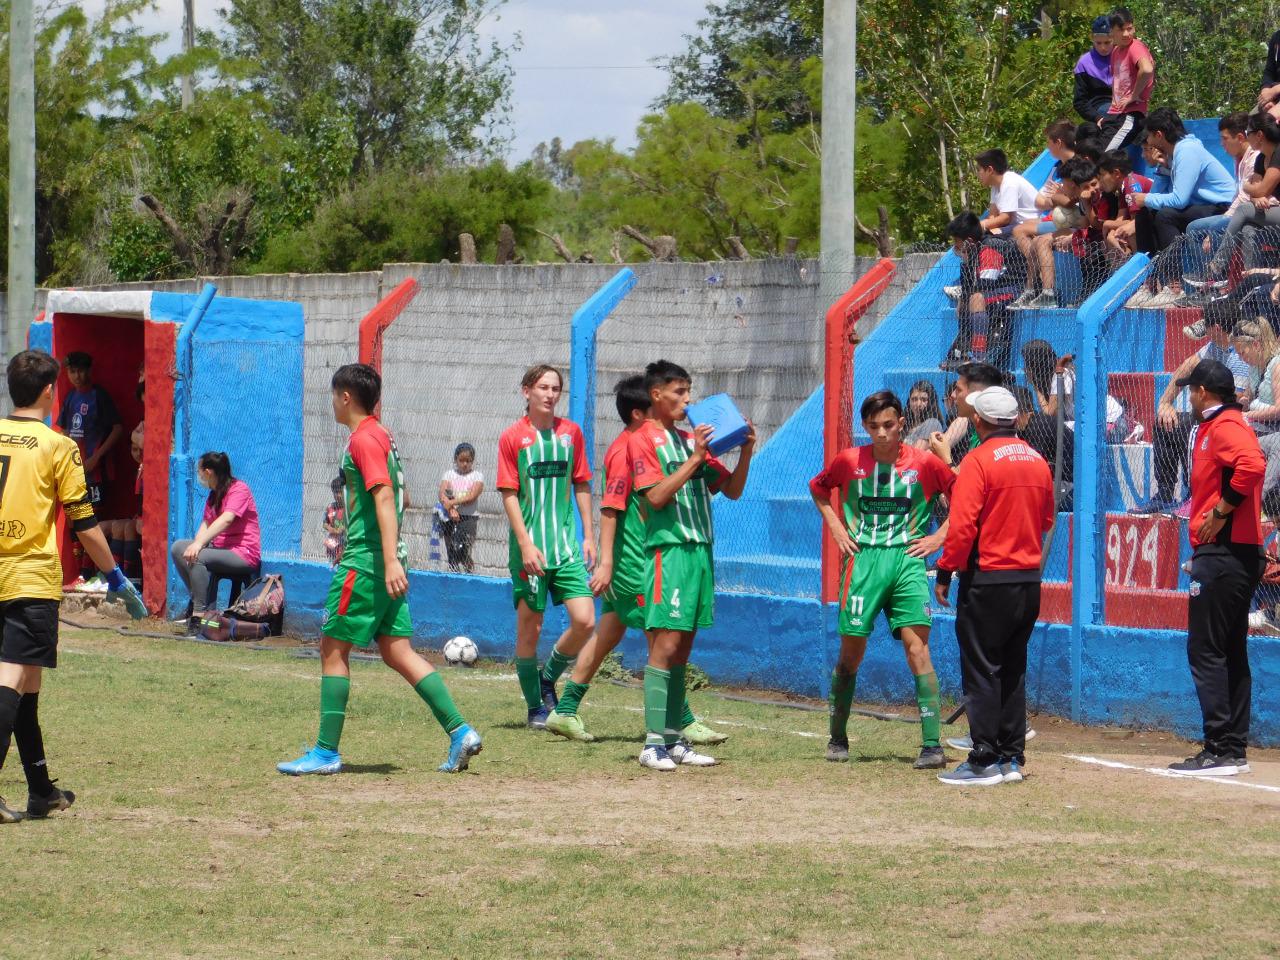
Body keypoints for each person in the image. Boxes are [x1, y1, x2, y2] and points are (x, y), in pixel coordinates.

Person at [278, 363, 482, 776]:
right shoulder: (383, 436)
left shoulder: (364, 439)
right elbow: (397, 499)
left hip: (368, 561)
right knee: (397, 650)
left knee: (333, 648)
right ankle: (460, 731)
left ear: (346, 396)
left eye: (334, 395)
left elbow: (386, 498)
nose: (332, 402)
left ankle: (324, 752)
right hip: (387, 557)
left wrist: (387, 558)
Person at [0, 351, 146, 824]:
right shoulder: (58, 447)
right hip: (28, 578)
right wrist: (117, 577)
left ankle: (41, 791)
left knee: (29, 683)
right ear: (49, 392)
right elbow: (84, 523)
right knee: (13, 680)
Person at [545, 375, 727, 746]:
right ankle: (679, 725)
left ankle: (564, 710)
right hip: (636, 564)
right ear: (640, 412)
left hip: (639, 560)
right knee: (663, 639)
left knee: (610, 631)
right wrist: (608, 562)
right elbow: (611, 508)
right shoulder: (627, 449)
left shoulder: (662, 443)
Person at [809, 391, 954, 769]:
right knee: (850, 655)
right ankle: (837, 737)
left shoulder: (924, 463)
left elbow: (965, 497)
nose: (882, 433)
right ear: (865, 427)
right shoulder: (849, 461)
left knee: (917, 650)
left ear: (902, 422)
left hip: (908, 561)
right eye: (874, 427)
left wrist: (940, 537)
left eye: (888, 425)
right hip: (863, 563)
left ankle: (932, 746)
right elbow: (819, 490)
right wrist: (838, 529)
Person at [630, 359, 754, 770]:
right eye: (679, 392)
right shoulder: (643, 441)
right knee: (664, 645)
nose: (687, 399)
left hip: (701, 552)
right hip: (671, 552)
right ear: (656, 395)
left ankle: (673, 738)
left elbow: (732, 491)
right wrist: (695, 459)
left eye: (689, 391)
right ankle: (651, 744)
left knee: (683, 647)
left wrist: (746, 449)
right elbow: (655, 497)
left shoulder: (691, 441)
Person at [934, 386, 1054, 786]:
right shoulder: (1038, 460)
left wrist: (947, 570)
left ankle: (983, 758)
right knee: (1013, 666)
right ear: (1016, 419)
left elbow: (963, 523)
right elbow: (1047, 519)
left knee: (982, 667)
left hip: (987, 578)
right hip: (1027, 578)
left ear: (979, 422)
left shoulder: (977, 460)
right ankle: (1010, 756)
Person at [1168, 359, 1265, 776]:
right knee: (1228, 649)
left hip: (1224, 551)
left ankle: (1220, 747)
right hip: (1234, 552)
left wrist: (1222, 511)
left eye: (1191, 391)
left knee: (1206, 649)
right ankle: (1231, 746)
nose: (1188, 397)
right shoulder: (1223, 424)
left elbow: (1253, 465)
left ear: (1203, 392)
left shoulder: (1224, 426)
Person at [497, 364, 597, 729]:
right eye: (543, 387)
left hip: (566, 548)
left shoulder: (571, 434)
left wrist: (589, 534)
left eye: (556, 388)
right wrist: (525, 544)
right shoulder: (512, 438)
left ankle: (547, 677)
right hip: (530, 551)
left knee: (585, 620)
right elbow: (509, 493)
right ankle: (535, 709)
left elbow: (582, 484)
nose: (550, 394)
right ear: (527, 391)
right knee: (530, 628)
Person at [1130, 301, 1253, 514]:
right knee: (1165, 423)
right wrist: (1165, 403)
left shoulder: (1239, 352)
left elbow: (1237, 398)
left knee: (1188, 425)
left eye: (1206, 324)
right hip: (1207, 412)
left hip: (1230, 419)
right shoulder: (1214, 347)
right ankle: (1165, 495)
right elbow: (1185, 368)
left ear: (1215, 328)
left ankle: (1194, 493)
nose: (1202, 328)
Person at [1129, 109, 1235, 308]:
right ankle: (1149, 284)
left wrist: (1147, 198)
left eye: (1150, 136)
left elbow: (1179, 200)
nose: (1149, 143)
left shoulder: (1186, 151)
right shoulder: (1174, 154)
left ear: (1159, 135)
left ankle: (1174, 287)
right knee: (1145, 214)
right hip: (1201, 205)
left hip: (1223, 206)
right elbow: (1157, 195)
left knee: (1166, 216)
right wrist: (1162, 171)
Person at [170, 452, 262, 622]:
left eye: (199, 471)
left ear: (208, 472)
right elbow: (206, 524)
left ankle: (200, 615)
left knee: (198, 556)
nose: (199, 476)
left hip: (244, 553)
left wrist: (199, 546)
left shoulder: (239, 489)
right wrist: (197, 543)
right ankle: (198, 599)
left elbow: (227, 519)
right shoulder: (214, 495)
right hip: (220, 550)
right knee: (178, 548)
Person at [57, 351, 124, 578]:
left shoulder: (99, 396)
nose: (77, 376)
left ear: (89, 370)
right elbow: (65, 431)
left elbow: (117, 429)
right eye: (72, 371)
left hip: (97, 473)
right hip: (75, 471)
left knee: (92, 520)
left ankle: (94, 573)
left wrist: (96, 457)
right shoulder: (69, 398)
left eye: (81, 370)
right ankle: (79, 573)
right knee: (74, 522)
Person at [1199, 114, 1280, 285]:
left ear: (1259, 135)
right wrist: (1256, 195)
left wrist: (1248, 187)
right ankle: (1252, 283)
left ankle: (1216, 266)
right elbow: (1256, 193)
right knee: (1249, 229)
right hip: (1271, 211)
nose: (1246, 135)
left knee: (1243, 209)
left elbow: (1261, 189)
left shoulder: (1278, 153)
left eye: (1248, 132)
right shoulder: (1260, 159)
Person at [940, 212, 1025, 371]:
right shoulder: (971, 252)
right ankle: (962, 352)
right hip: (994, 292)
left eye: (957, 243)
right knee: (966, 302)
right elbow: (968, 286)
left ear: (969, 241)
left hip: (1013, 290)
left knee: (977, 298)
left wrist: (969, 297)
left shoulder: (990, 247)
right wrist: (962, 301)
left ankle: (979, 357)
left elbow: (985, 284)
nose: (955, 247)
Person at [1181, 114, 1261, 281]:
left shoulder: (1254, 159)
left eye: (1224, 139)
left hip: (1252, 213)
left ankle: (1214, 280)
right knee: (1193, 228)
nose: (1221, 144)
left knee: (1216, 227)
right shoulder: (1238, 158)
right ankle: (1201, 281)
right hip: (1239, 211)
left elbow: (1246, 198)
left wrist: (1223, 221)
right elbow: (1239, 197)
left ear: (1240, 137)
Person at [1099, 7, 1155, 151]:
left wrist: (1133, 95)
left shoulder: (1135, 47)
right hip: (1115, 115)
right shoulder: (1116, 52)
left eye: (1129, 29)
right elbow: (1118, 84)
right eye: (1121, 30)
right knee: (1092, 150)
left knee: (1103, 156)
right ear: (1111, 31)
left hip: (1130, 115)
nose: (1126, 34)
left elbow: (1147, 69)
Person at [933, 361, 1006, 470]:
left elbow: (960, 479)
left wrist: (945, 456)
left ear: (976, 395)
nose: (952, 395)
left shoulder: (994, 435)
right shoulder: (978, 425)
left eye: (958, 390)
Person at [438, 442, 483, 573]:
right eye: (461, 460)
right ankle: (454, 576)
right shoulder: (449, 474)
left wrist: (452, 503)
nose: (465, 464)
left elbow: (471, 496)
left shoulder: (477, 476)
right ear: (455, 460)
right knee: (451, 550)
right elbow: (442, 493)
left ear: (472, 461)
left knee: (463, 550)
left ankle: (470, 572)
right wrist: (451, 510)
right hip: (449, 516)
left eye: (468, 461)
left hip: (468, 518)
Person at [976, 149, 1039, 236]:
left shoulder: (1009, 182)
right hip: (1015, 225)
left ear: (990, 170)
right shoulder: (995, 185)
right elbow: (993, 215)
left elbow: (1005, 218)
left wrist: (979, 226)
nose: (978, 174)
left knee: (989, 237)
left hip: (1029, 224)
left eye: (979, 170)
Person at [1074, 16, 1114, 125]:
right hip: (1099, 109)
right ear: (1092, 40)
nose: (1103, 48)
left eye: (1107, 42)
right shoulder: (1084, 63)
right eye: (1098, 43)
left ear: (1114, 39)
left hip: (1124, 105)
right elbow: (1079, 102)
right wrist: (1096, 117)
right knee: (1111, 113)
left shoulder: (1123, 56)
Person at [904, 380, 945, 447]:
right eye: (914, 399)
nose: (918, 404)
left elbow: (918, 452)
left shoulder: (932, 423)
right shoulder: (906, 425)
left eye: (923, 400)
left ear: (931, 402)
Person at [323, 474, 346, 566]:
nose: (337, 495)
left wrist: (342, 529)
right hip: (333, 545)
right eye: (334, 492)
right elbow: (325, 523)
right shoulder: (330, 507)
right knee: (332, 566)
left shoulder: (348, 509)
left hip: (344, 545)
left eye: (339, 492)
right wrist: (332, 529)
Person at [1257, 27, 1280, 120]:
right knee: (1250, 124)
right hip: (1275, 94)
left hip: (1276, 91)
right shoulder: (1276, 37)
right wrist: (1266, 90)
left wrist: (1274, 91)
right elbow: (1269, 71)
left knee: (1268, 122)